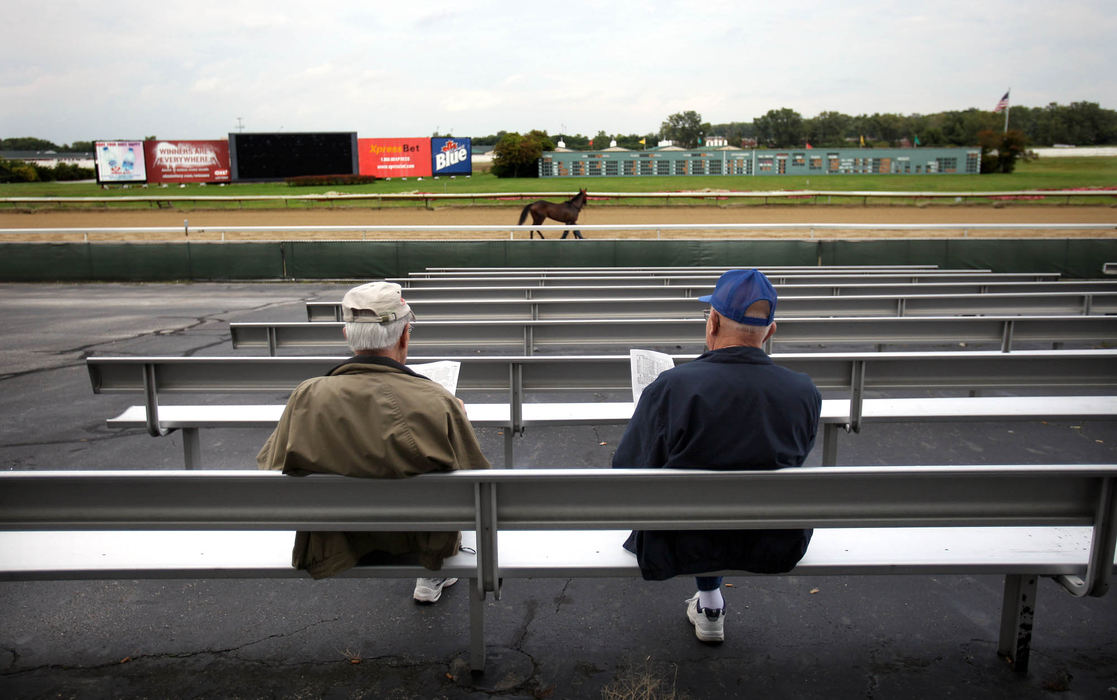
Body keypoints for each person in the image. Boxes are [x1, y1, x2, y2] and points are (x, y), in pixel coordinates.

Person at [611, 268, 821, 643]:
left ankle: (710, 599)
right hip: (774, 540)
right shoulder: (804, 391)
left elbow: (627, 470)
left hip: (679, 542)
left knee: (689, 493)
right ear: (771, 332)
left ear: (713, 322)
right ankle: (710, 600)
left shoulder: (673, 386)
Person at [257, 281, 491, 604]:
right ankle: (432, 574)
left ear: (347, 336)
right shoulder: (438, 401)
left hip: (339, 542)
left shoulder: (306, 397)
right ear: (405, 334)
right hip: (420, 542)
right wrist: (457, 417)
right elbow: (474, 484)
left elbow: (272, 469)